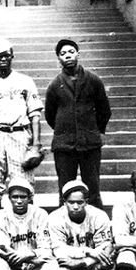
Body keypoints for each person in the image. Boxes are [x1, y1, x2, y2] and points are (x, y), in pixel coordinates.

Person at [0, 38, 44, 210]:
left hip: (19, 133)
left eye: (6, 56)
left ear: (12, 56)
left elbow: (35, 115)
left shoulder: (25, 81)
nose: (3, 59)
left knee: (23, 182)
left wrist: (35, 144)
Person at [45, 39, 111, 209]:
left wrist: (95, 130)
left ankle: (98, 226)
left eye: (71, 51)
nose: (67, 55)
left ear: (78, 54)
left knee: (93, 187)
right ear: (58, 59)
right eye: (62, 53)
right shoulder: (54, 85)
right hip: (64, 146)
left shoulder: (93, 80)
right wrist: (65, 130)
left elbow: (104, 109)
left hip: (90, 143)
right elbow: (50, 114)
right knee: (65, 188)